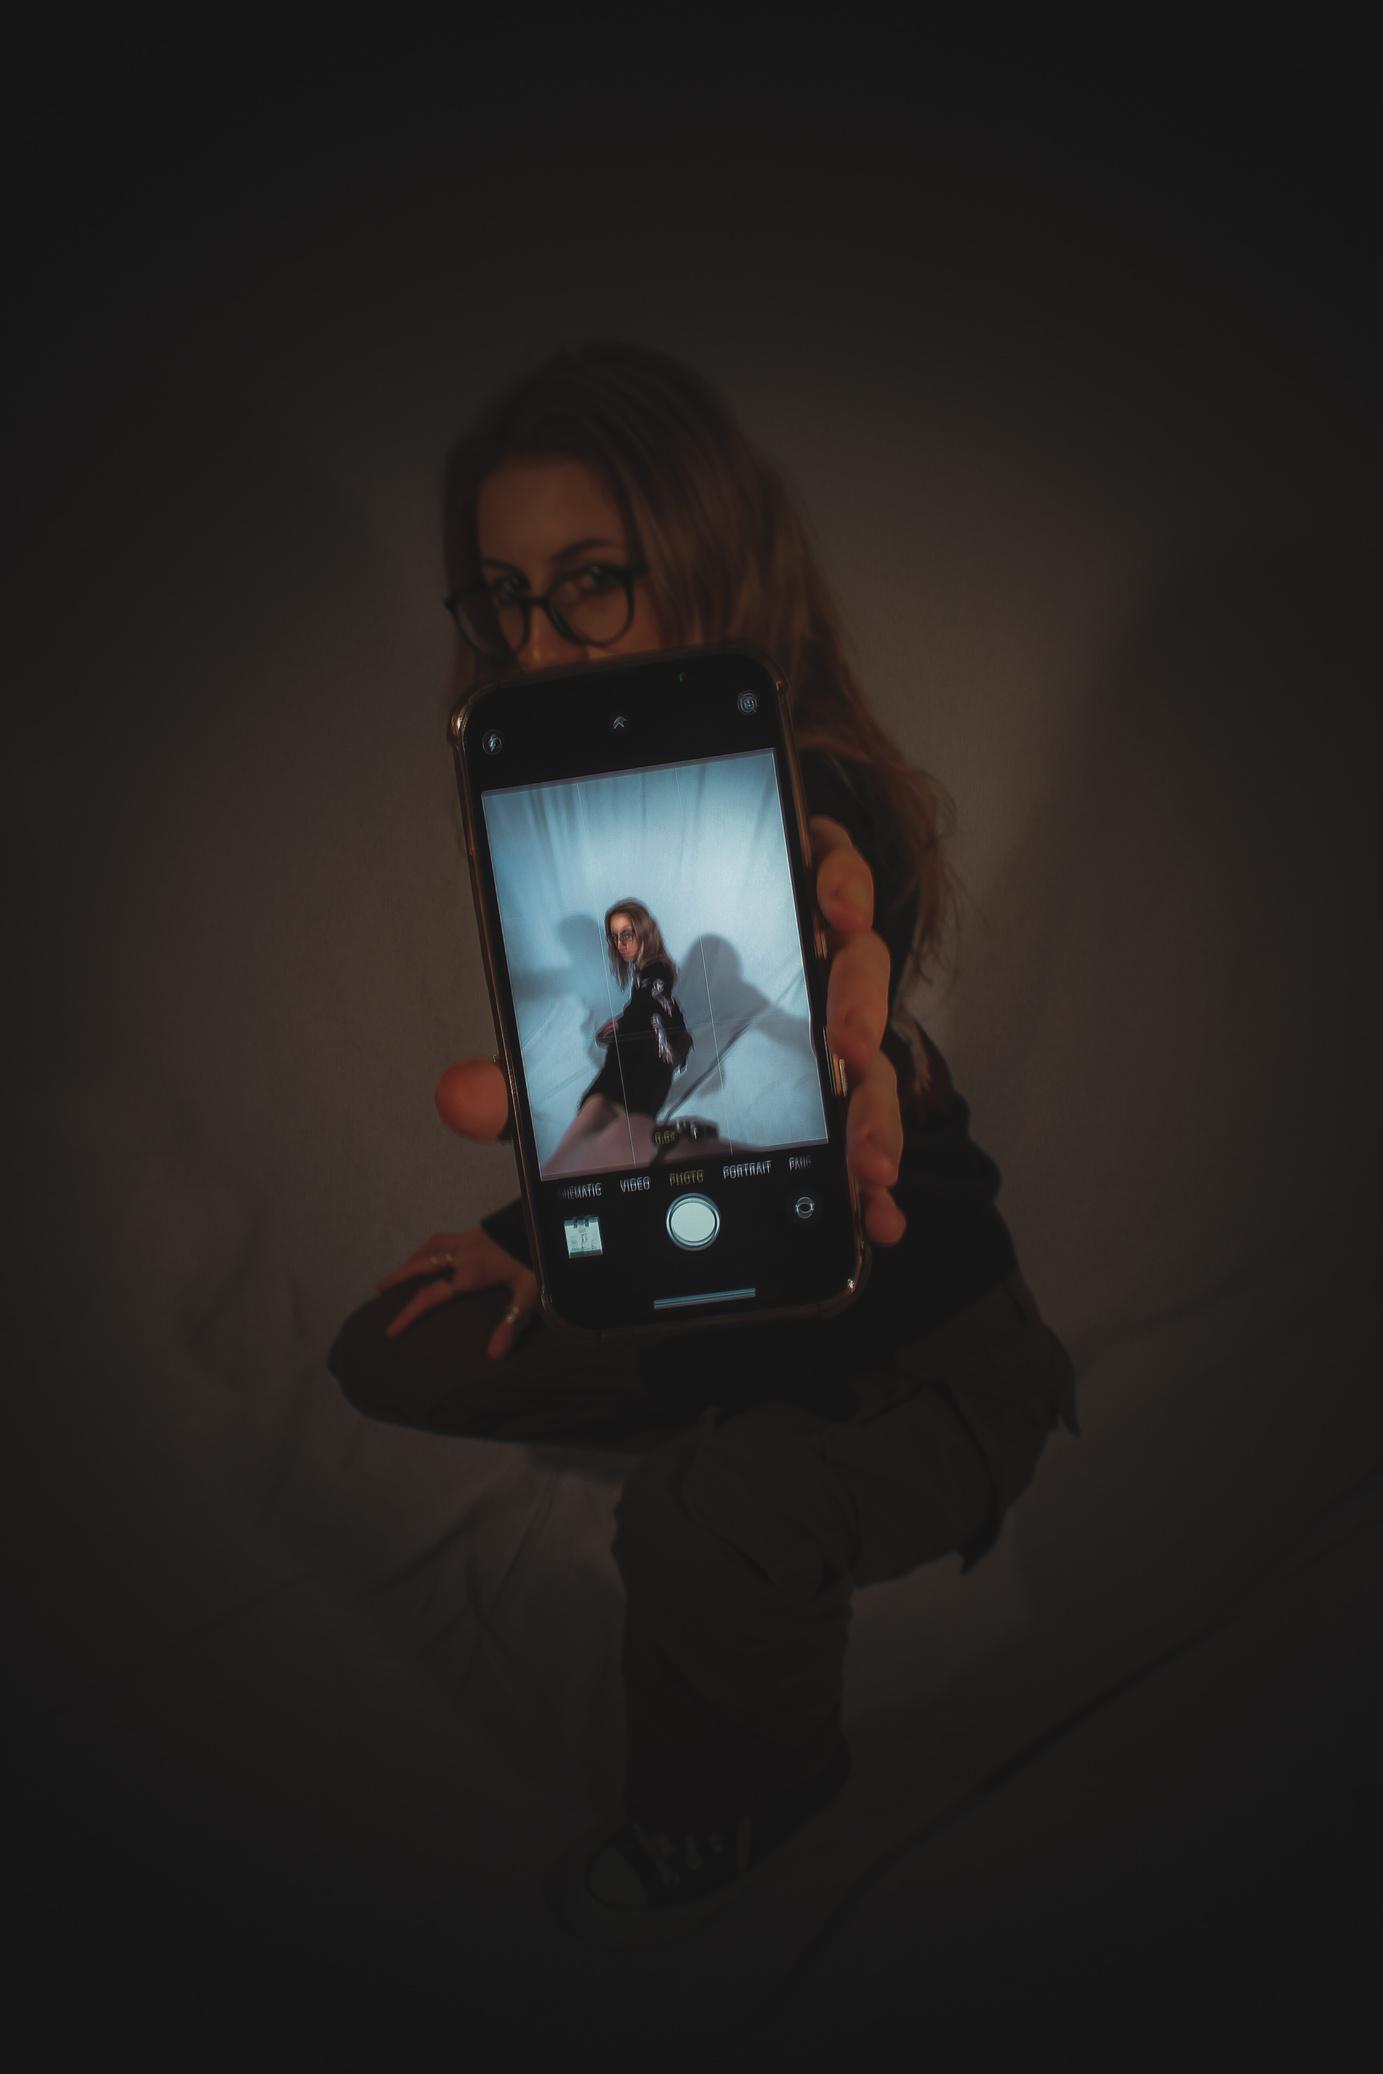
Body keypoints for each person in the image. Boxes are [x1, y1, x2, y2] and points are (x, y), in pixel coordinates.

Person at [328, 340, 1080, 1948]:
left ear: (703, 558)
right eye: (505, 597)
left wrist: (855, 1003)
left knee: (687, 1520)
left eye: (590, 583)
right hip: (718, 1247)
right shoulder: (591, 865)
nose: (540, 642)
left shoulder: (810, 817)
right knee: (391, 1348)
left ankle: (755, 1785)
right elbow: (618, 1097)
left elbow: (845, 911)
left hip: (929, 1351)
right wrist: (527, 1235)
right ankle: (714, 1364)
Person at [544, 899, 694, 1177]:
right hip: (629, 1062)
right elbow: (656, 1006)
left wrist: (627, 1024)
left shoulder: (656, 971)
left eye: (627, 934)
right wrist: (623, 1022)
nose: (620, 943)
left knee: (611, 1131)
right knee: (595, 1121)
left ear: (644, 931)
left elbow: (652, 1000)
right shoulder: (646, 969)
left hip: (643, 1067)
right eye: (614, 937)